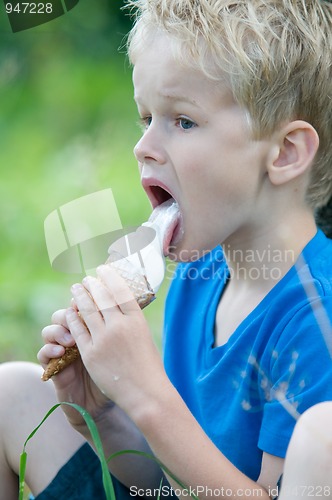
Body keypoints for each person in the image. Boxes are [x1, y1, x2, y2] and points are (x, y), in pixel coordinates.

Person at [0, 0, 332, 498]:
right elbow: (167, 484)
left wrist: (147, 394)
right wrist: (106, 412)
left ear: (284, 153)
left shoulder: (316, 316)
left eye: (182, 121)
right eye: (145, 118)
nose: (144, 146)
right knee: (12, 394)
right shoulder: (199, 279)